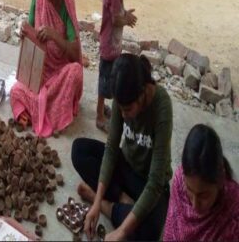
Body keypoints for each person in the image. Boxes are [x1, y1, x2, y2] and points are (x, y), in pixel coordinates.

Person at [71, 54, 172, 241]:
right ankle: (117, 199)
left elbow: (156, 180)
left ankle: (103, 204)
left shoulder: (162, 105)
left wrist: (121, 232)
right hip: (125, 165)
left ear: (142, 93)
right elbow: (111, 149)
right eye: (121, 109)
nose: (124, 116)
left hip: (148, 182)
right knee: (79, 150)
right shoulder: (122, 95)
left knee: (151, 232)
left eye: (128, 109)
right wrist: (98, 202)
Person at [9, 0, 83, 137]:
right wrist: (25, 35)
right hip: (40, 72)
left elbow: (75, 54)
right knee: (16, 90)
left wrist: (54, 36)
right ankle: (42, 110)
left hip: (59, 74)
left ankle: (40, 111)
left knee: (75, 72)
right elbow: (32, 38)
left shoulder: (66, 6)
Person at [163, 124, 239, 240]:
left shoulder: (234, 210)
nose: (195, 204)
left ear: (220, 180)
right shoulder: (179, 182)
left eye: (203, 195)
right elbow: (169, 236)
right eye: (189, 191)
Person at [97, 0, 137, 132]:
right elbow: (114, 19)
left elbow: (114, 9)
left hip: (108, 39)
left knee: (106, 77)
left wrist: (123, 12)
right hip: (109, 41)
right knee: (105, 80)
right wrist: (126, 18)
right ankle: (99, 116)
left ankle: (102, 109)